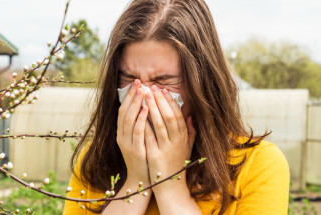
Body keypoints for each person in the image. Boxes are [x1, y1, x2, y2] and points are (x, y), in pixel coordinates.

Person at [62, 0, 290, 214]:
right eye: (129, 78)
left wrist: (171, 187)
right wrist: (135, 185)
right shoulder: (95, 162)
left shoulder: (258, 166)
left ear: (203, 83)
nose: (143, 95)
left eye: (163, 81)